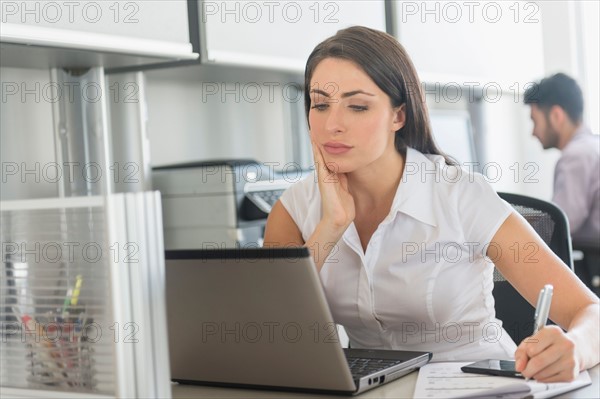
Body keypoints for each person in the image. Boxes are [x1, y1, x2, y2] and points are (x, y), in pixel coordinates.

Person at [263, 26, 599, 383]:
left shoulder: (460, 195)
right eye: (320, 104)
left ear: (399, 116)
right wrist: (330, 226)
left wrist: (575, 348)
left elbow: (588, 310)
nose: (332, 124)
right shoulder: (294, 208)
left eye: (357, 106)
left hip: (479, 386)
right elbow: (267, 329)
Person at [524, 73, 600, 247]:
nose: (533, 132)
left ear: (556, 116)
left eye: (535, 121)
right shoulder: (593, 145)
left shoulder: (576, 156)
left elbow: (556, 226)